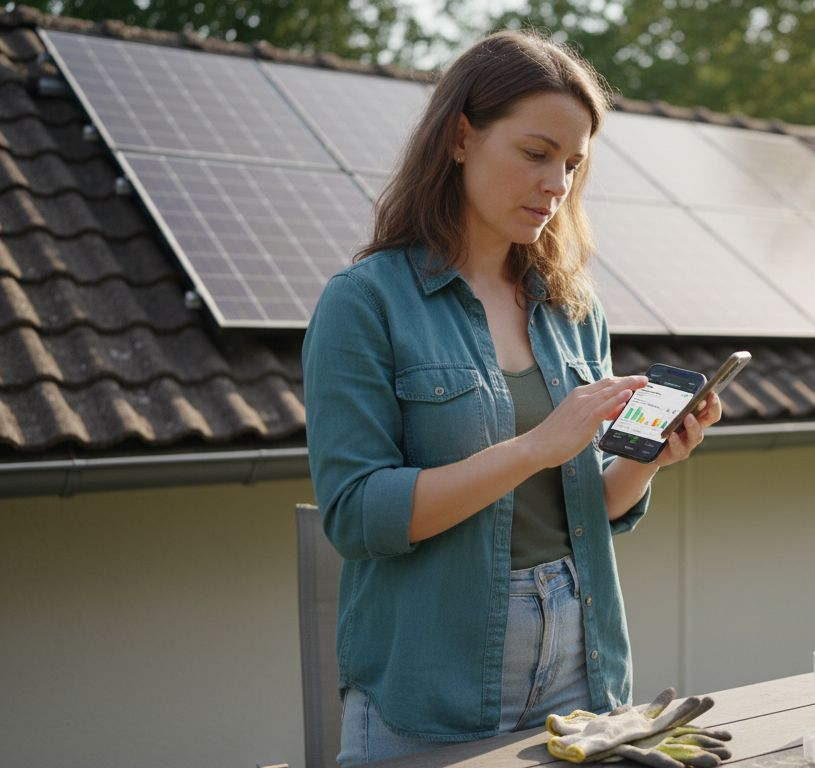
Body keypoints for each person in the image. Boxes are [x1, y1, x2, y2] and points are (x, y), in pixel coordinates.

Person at [301, 29, 722, 766]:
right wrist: (534, 448)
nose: (557, 183)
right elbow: (357, 515)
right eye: (536, 153)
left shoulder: (572, 307)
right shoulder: (364, 304)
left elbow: (590, 505)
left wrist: (649, 459)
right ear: (461, 138)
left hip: (581, 677)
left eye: (571, 163)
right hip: (431, 692)